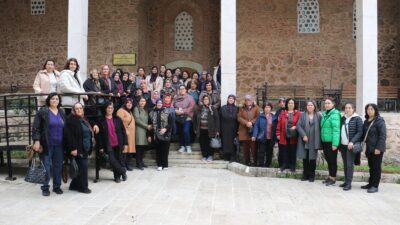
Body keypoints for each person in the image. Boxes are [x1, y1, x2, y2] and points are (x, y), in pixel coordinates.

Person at [32, 93, 66, 196]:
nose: (55, 100)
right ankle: (45, 188)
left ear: (59, 101)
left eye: (57, 99)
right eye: (52, 99)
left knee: (58, 166)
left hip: (59, 145)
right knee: (46, 166)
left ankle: (57, 187)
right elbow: (36, 127)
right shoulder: (43, 112)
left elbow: (66, 127)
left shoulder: (61, 112)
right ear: (49, 100)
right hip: (47, 144)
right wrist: (36, 141)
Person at [65, 102, 98, 193]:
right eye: (77, 109)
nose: (79, 110)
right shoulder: (71, 120)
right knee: (83, 167)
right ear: (73, 110)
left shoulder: (83, 119)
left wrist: (95, 125)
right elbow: (69, 136)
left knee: (80, 167)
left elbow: (89, 123)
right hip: (77, 148)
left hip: (85, 147)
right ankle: (83, 187)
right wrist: (73, 148)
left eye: (80, 108)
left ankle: (73, 185)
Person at [98, 102, 128, 183]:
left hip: (118, 143)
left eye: (111, 108)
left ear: (113, 109)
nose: (110, 109)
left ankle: (117, 177)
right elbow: (99, 135)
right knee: (112, 161)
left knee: (119, 160)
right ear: (105, 109)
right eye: (108, 108)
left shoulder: (117, 119)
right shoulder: (101, 120)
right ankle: (123, 171)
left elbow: (123, 131)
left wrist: (125, 143)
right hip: (108, 144)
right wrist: (100, 147)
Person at [361, 103, 387, 193]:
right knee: (371, 167)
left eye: (371, 109)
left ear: (375, 110)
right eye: (368, 109)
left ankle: (375, 186)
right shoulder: (366, 121)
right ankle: (370, 183)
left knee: (376, 167)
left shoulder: (380, 121)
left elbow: (382, 136)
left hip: (377, 148)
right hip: (369, 148)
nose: (369, 111)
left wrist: (378, 148)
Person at [339, 103, 363, 190]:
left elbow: (360, 132)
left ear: (353, 109)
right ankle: (346, 181)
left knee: (349, 165)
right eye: (346, 108)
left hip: (350, 146)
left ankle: (349, 183)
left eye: (349, 108)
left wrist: (352, 142)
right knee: (345, 164)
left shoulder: (357, 119)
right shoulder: (343, 118)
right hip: (343, 145)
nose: (347, 109)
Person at [296, 100, 321, 182]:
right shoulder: (303, 115)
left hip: (314, 140)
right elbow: (298, 126)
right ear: (306, 107)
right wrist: (303, 135)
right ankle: (305, 174)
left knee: (313, 159)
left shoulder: (318, 115)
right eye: (308, 105)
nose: (310, 107)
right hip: (305, 140)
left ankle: (312, 175)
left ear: (314, 106)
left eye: (311, 105)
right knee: (305, 158)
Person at [276, 98, 301, 172]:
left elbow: (300, 123)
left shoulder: (298, 113)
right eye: (289, 103)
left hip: (293, 136)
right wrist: (278, 133)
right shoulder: (283, 113)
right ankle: (284, 165)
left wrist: (296, 126)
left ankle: (292, 166)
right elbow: (279, 124)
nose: (290, 104)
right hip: (284, 135)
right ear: (287, 104)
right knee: (284, 151)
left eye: (292, 103)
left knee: (292, 151)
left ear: (294, 104)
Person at [320, 97, 341, 186]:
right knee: (328, 159)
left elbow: (336, 130)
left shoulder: (335, 114)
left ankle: (333, 178)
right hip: (325, 141)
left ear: (333, 104)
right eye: (325, 103)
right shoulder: (325, 114)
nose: (327, 105)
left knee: (332, 160)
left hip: (331, 142)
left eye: (329, 103)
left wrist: (335, 144)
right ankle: (330, 176)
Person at [194, 95, 220, 162]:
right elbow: (194, 119)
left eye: (207, 99)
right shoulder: (199, 108)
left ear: (209, 100)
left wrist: (217, 130)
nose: (206, 100)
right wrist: (195, 128)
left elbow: (217, 120)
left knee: (210, 143)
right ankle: (204, 156)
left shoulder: (213, 108)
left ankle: (210, 156)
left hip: (210, 130)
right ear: (202, 101)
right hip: (201, 129)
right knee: (202, 143)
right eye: (204, 99)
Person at [150, 99, 173, 170]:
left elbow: (171, 123)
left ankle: (165, 165)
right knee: (158, 150)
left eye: (160, 103)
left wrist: (165, 129)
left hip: (165, 133)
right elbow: (150, 125)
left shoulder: (167, 111)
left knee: (165, 150)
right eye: (158, 103)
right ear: (156, 104)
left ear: (162, 104)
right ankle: (159, 165)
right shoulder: (151, 113)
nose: (159, 104)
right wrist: (149, 135)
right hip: (156, 133)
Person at [252, 102, 277, 167]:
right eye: (266, 107)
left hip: (271, 138)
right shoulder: (260, 116)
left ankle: (268, 165)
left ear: (271, 108)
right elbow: (256, 126)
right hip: (262, 137)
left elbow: (276, 128)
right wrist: (254, 135)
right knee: (261, 152)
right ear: (263, 109)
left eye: (268, 107)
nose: (267, 109)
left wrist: (276, 137)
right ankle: (261, 165)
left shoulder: (274, 118)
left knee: (269, 153)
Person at [173, 85, 196, 153]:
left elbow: (192, 106)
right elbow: (172, 105)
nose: (181, 90)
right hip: (178, 118)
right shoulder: (175, 97)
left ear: (186, 90)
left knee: (185, 131)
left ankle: (188, 146)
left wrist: (183, 111)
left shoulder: (190, 97)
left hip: (187, 117)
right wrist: (175, 111)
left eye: (183, 89)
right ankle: (182, 146)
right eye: (180, 89)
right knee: (180, 132)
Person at [237, 95, 259, 166]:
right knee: (245, 148)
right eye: (246, 100)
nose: (248, 101)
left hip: (253, 131)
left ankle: (255, 162)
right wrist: (246, 123)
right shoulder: (241, 108)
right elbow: (239, 117)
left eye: (249, 100)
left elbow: (258, 117)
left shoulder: (256, 108)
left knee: (254, 148)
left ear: (252, 101)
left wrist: (251, 122)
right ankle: (247, 162)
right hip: (244, 130)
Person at [116, 98, 136, 171]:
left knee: (129, 151)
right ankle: (122, 165)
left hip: (131, 135)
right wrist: (125, 130)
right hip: (124, 135)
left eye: (130, 103)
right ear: (125, 103)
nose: (129, 104)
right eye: (128, 103)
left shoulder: (129, 111)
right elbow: (118, 123)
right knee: (124, 151)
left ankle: (127, 164)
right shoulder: (121, 111)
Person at [133, 97, 152, 170]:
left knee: (143, 147)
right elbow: (137, 120)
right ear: (139, 102)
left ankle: (141, 161)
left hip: (145, 131)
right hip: (139, 130)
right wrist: (147, 126)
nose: (142, 102)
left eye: (144, 101)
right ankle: (138, 163)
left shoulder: (146, 110)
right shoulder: (136, 109)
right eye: (141, 101)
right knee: (139, 147)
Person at [220, 94, 238, 162]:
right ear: (227, 99)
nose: (231, 99)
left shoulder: (236, 108)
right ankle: (225, 156)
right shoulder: (223, 108)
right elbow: (219, 118)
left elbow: (238, 119)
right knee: (225, 142)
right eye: (230, 98)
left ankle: (232, 156)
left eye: (232, 98)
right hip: (224, 127)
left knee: (232, 142)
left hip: (233, 128)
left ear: (234, 100)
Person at [275, 98, 286, 167]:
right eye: (280, 102)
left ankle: (286, 164)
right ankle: (280, 164)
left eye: (283, 102)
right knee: (281, 150)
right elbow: (276, 123)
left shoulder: (288, 110)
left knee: (287, 150)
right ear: (279, 104)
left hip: (287, 134)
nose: (282, 103)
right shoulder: (278, 112)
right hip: (280, 134)